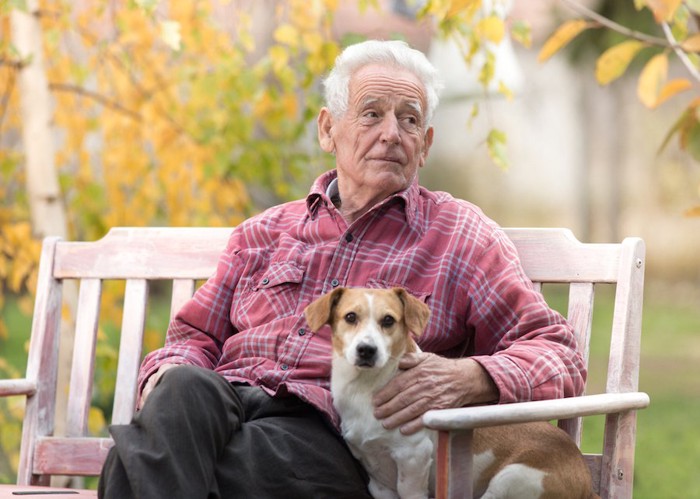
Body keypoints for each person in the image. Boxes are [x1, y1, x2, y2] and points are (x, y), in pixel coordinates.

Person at [98, 39, 586, 499]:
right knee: (183, 388)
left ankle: (149, 456)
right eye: (371, 114)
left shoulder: (459, 235)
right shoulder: (263, 232)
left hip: (325, 429)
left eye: (409, 120)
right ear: (328, 128)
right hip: (220, 403)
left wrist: (471, 377)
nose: (391, 133)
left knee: (134, 462)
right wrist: (168, 386)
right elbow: (191, 339)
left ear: (426, 143)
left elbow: (559, 354)